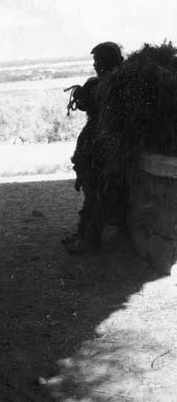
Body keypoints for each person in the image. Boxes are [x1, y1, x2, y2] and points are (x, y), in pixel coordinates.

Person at [62, 42, 124, 254]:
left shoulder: (119, 84)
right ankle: (83, 235)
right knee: (91, 191)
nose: (96, 65)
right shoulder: (101, 83)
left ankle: (90, 239)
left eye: (99, 61)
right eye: (95, 61)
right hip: (94, 145)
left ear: (109, 61)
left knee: (100, 192)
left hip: (107, 146)